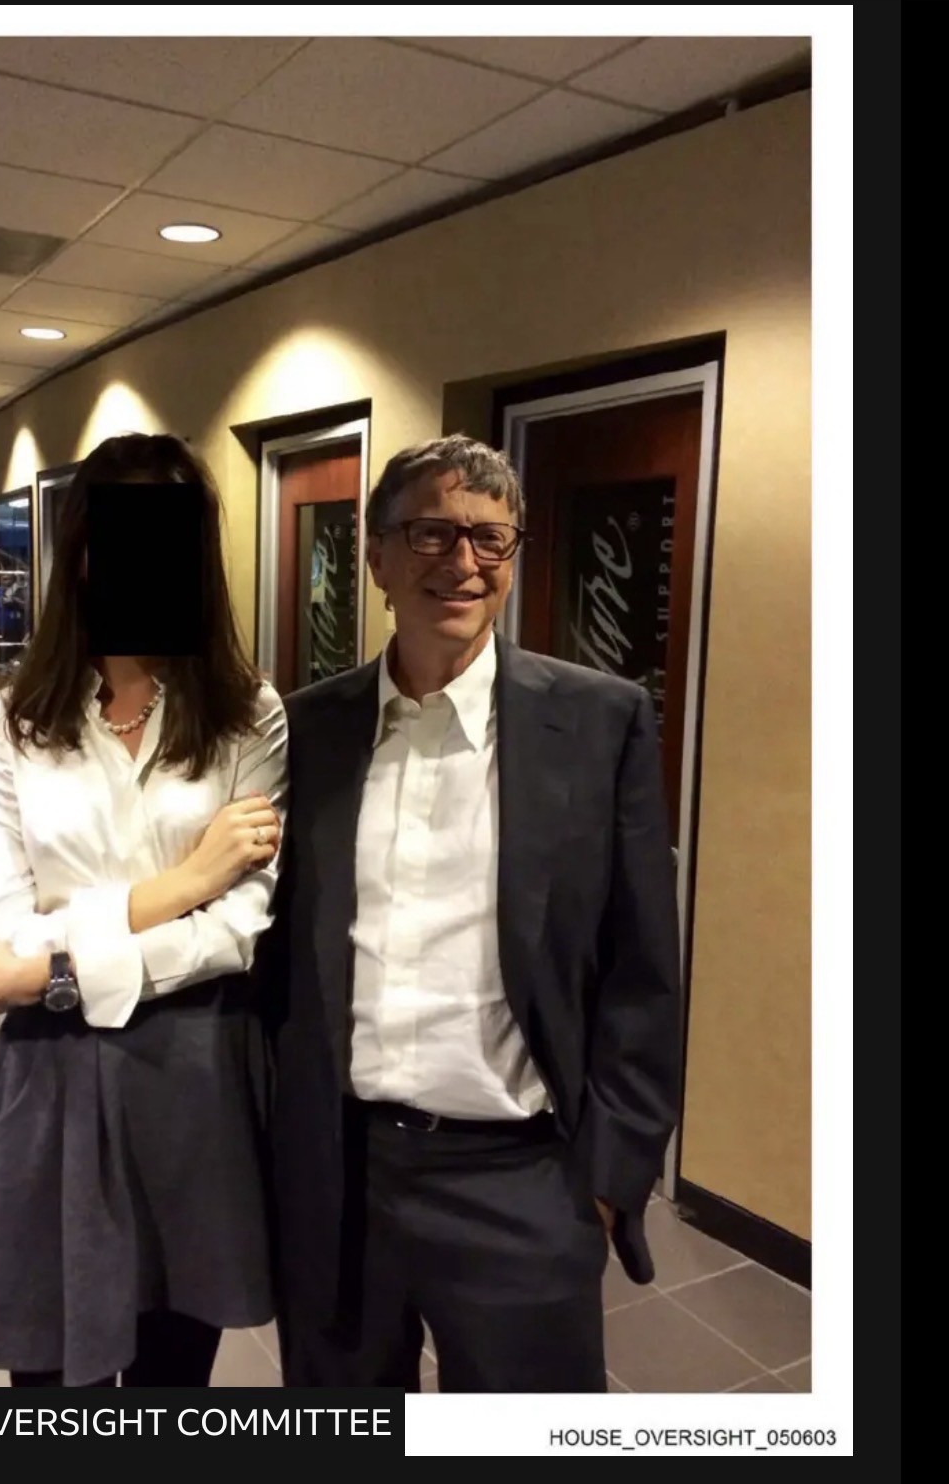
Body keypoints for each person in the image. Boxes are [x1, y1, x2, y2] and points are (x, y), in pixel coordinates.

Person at [258, 434, 680, 1393]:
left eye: (491, 538)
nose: (464, 562)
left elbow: (643, 969)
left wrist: (609, 1177)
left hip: (522, 1181)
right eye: (432, 533)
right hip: (340, 1172)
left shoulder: (599, 722)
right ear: (376, 557)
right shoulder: (308, 728)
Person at [0, 433, 287, 1388]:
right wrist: (181, 885)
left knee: (172, 1376)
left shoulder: (250, 714)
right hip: (52, 1070)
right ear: (79, 557)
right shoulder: (8, 723)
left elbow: (239, 929)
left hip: (194, 1070)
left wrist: (45, 970)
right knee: (47, 1375)